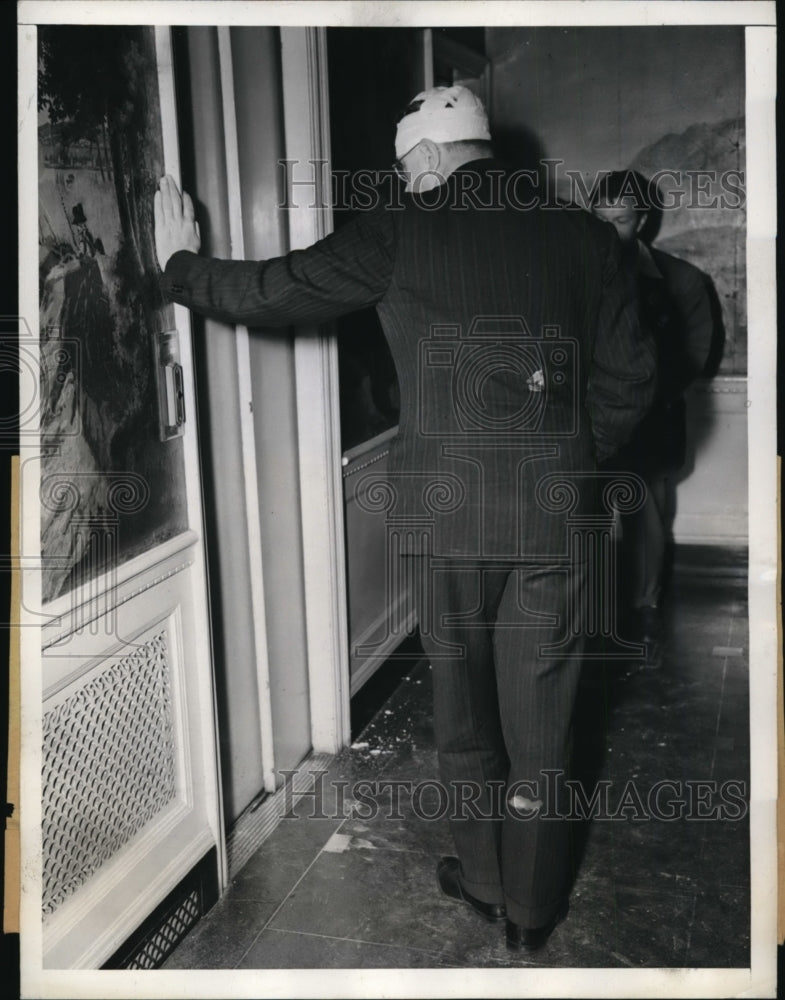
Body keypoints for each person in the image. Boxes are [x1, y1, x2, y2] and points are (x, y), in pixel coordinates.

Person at [154, 86, 656, 952]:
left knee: (463, 716)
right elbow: (633, 377)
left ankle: (484, 878)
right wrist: (573, 460)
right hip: (556, 516)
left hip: (448, 514)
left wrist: (179, 265)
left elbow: (277, 289)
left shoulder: (401, 227)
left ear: (424, 160)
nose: (404, 177)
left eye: (402, 166)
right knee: (546, 725)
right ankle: (532, 917)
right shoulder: (586, 237)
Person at [591, 171, 713, 656]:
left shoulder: (682, 279)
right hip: (591, 421)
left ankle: (645, 608)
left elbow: (696, 353)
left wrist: (644, 396)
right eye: (599, 219)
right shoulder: (577, 272)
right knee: (587, 516)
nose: (608, 230)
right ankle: (595, 610)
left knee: (646, 515)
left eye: (618, 220)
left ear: (642, 221)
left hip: (652, 420)